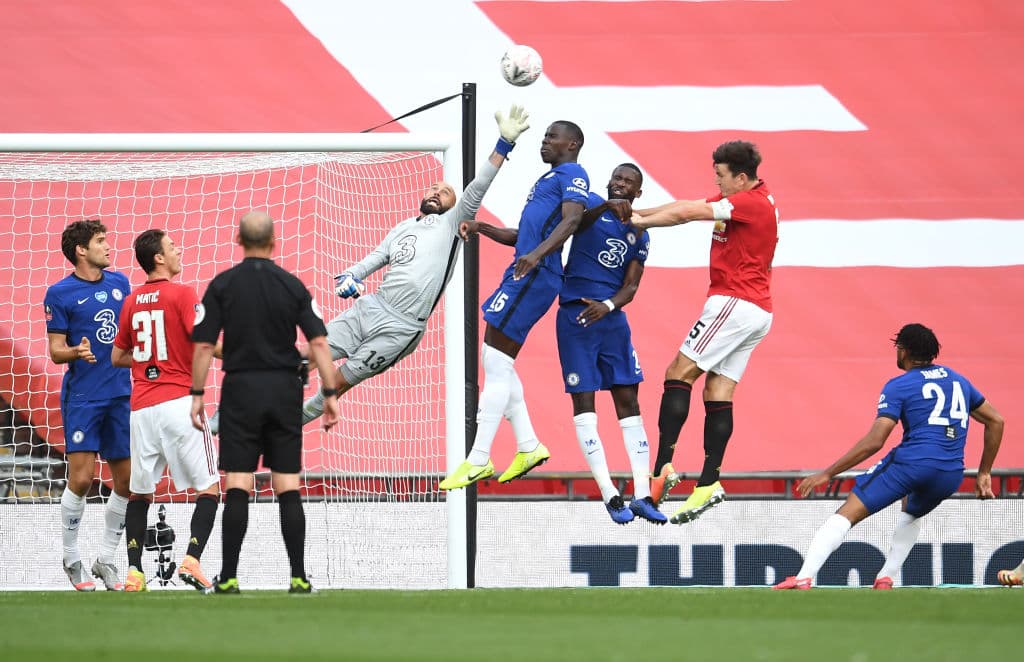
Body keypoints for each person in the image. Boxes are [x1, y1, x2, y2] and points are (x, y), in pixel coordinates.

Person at [294, 105, 532, 424]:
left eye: (445, 192)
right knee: (303, 356)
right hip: (370, 307)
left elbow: (477, 189)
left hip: (401, 326)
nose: (437, 192)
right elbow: (376, 257)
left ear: (453, 206)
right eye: (434, 188)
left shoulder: (451, 226)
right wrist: (351, 274)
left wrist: (504, 144)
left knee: (335, 386)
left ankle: (286, 425)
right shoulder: (403, 227)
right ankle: (239, 409)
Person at [773, 323, 1004, 590]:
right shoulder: (958, 380)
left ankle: (804, 576)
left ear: (903, 351)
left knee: (847, 513)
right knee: (911, 513)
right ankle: (887, 577)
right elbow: (996, 421)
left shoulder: (900, 385)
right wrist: (984, 472)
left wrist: (828, 472)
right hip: (950, 473)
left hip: (912, 464)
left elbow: (875, 441)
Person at [190, 210, 341, 594]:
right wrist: (329, 394)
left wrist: (197, 395)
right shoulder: (292, 285)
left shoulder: (222, 285)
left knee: (237, 482)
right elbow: (319, 342)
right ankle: (298, 576)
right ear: (274, 243)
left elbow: (205, 344)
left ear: (238, 242)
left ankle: (228, 577)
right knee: (287, 484)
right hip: (284, 390)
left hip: (241, 389)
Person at [630, 140, 779, 524]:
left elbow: (685, 215)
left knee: (678, 374)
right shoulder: (752, 196)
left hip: (734, 302)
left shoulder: (748, 203)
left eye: (721, 175)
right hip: (757, 310)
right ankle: (709, 483)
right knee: (717, 390)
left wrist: (638, 222)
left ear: (741, 177)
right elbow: (684, 203)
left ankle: (661, 469)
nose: (716, 181)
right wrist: (634, 212)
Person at [440, 120, 590, 490]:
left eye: (551, 137)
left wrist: (537, 255)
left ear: (572, 144)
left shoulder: (573, 173)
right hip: (526, 269)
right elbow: (522, 236)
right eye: (543, 136)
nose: (544, 142)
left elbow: (572, 220)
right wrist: (481, 228)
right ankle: (527, 445)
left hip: (536, 275)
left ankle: (478, 458)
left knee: (497, 360)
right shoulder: (547, 180)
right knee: (497, 360)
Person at [111, 229, 220, 592]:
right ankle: (192, 559)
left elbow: (117, 356)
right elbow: (205, 343)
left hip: (142, 409)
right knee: (209, 489)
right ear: (158, 257)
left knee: (140, 494)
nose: (178, 251)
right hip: (178, 403)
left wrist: (150, 362)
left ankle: (133, 572)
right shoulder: (183, 293)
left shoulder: (130, 301)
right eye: (172, 247)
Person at [557, 164, 665, 524]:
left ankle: (643, 494)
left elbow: (631, 287)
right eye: (617, 178)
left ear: (638, 193)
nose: (620, 184)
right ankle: (610, 494)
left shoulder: (640, 232)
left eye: (628, 182)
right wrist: (605, 206)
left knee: (628, 399)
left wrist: (608, 306)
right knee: (584, 401)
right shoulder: (588, 206)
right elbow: (575, 224)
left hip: (611, 318)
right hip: (576, 316)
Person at [44, 219, 132, 591]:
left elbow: (127, 337)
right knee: (81, 478)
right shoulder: (59, 293)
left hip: (121, 395)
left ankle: (107, 559)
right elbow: (54, 351)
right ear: (81, 250)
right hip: (83, 397)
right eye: (101, 241)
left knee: (128, 480)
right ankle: (71, 556)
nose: (108, 247)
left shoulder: (121, 283)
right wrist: (75, 352)